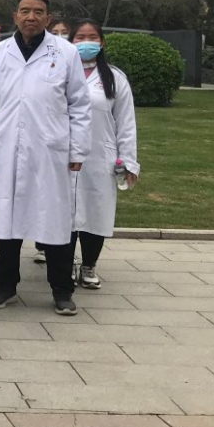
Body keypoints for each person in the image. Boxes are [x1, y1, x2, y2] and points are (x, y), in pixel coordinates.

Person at [0, 0, 91, 316]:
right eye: (25, 11)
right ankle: (5, 286)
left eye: (38, 12)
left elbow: (79, 105)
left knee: (54, 222)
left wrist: (77, 149)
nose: (31, 17)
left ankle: (62, 290)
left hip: (50, 151)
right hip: (7, 147)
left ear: (48, 18)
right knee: (8, 221)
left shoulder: (66, 53)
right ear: (15, 16)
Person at [70, 20, 139, 290]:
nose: (85, 42)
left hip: (100, 156)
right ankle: (64, 265)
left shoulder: (114, 78)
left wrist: (129, 161)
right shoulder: (60, 73)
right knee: (65, 212)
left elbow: (126, 122)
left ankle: (89, 265)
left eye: (92, 37)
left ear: (102, 43)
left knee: (96, 210)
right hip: (64, 156)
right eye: (79, 37)